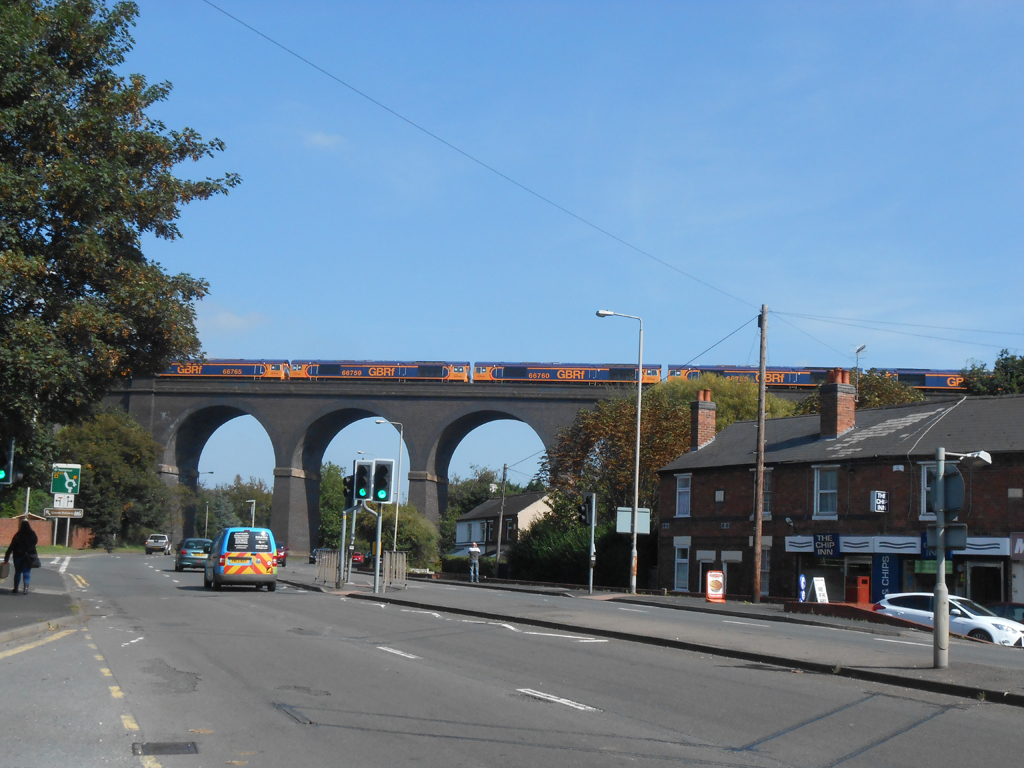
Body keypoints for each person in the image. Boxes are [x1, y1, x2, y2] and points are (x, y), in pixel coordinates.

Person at [5, 519, 39, 595]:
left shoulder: (17, 535)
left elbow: (11, 546)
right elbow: (35, 542)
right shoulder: (32, 534)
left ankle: (16, 588)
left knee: (18, 572)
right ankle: (26, 589)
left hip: (18, 556)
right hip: (29, 556)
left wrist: (6, 557)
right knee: (27, 572)